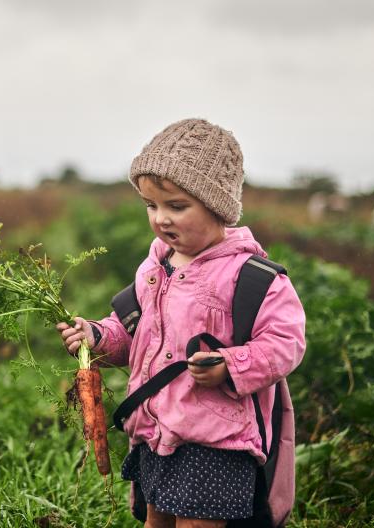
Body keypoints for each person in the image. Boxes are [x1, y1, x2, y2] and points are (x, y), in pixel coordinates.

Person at [57, 119, 305, 527]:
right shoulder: (157, 265)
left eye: (176, 206)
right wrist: (97, 336)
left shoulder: (252, 276)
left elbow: (286, 343)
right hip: (157, 431)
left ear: (217, 206)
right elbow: (135, 332)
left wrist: (231, 365)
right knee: (156, 520)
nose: (160, 219)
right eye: (151, 206)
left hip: (216, 440)